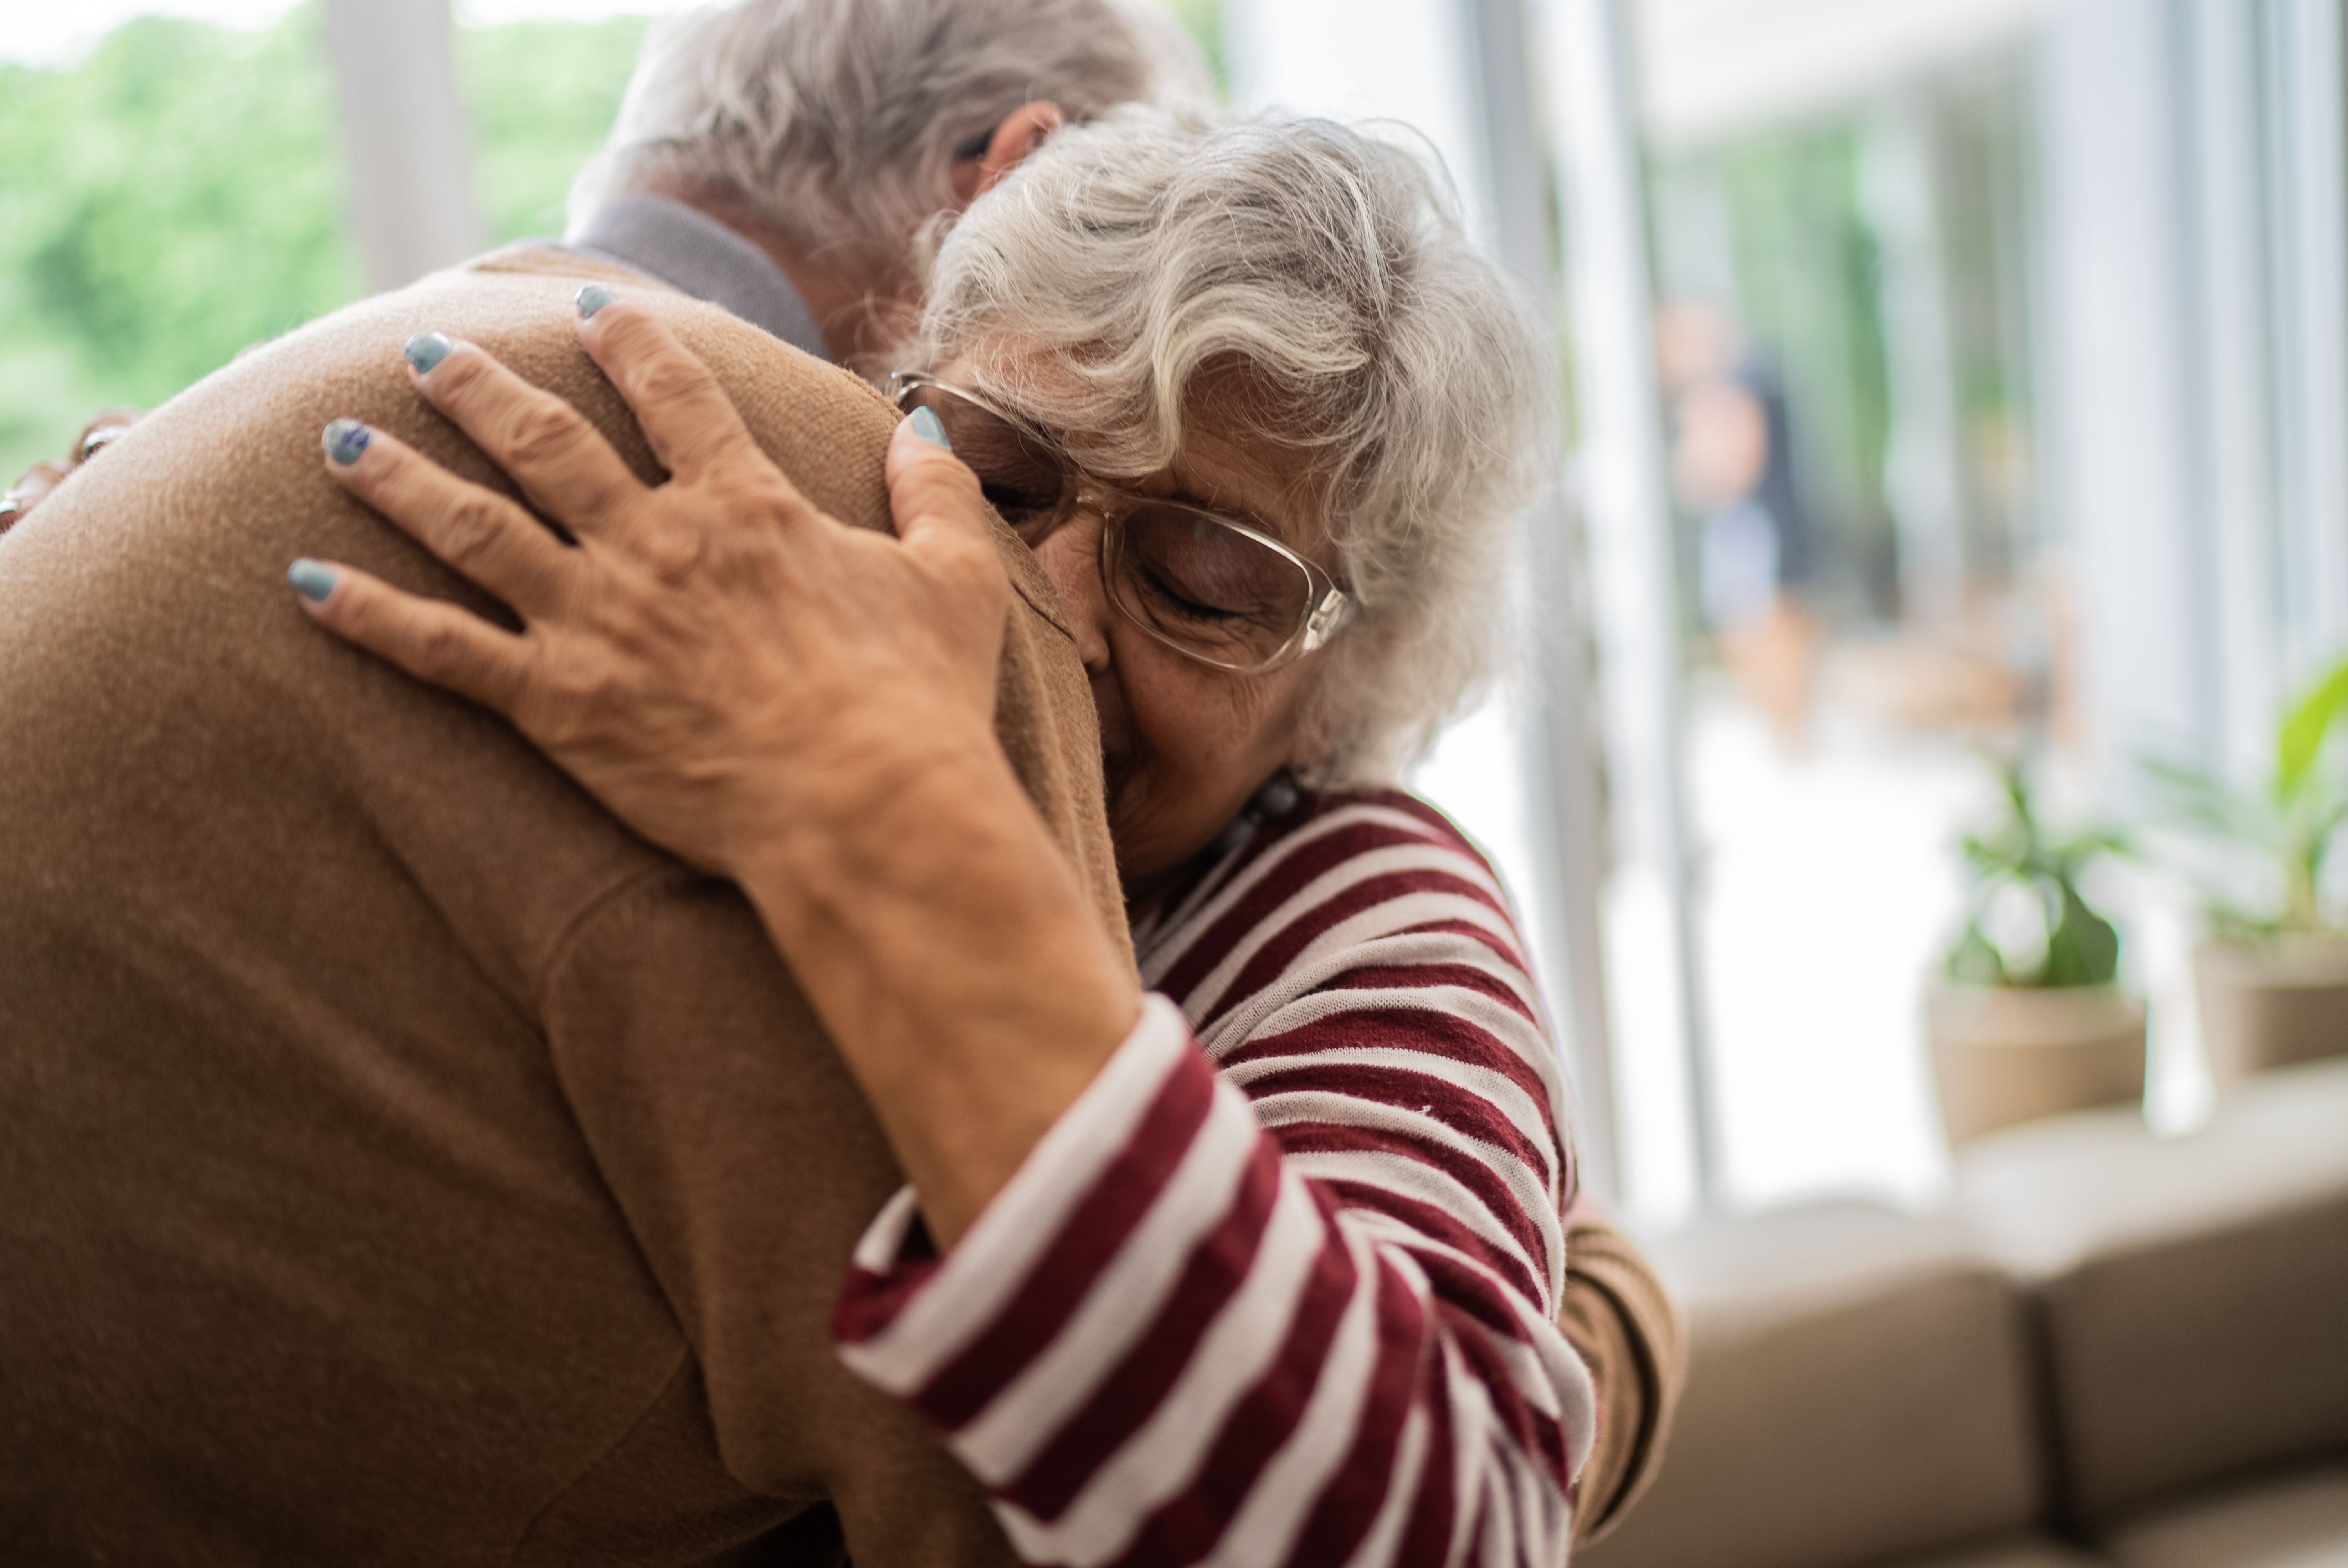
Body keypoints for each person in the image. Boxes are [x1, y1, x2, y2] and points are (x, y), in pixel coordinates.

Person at [292, 105, 1681, 1565]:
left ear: (1349, 682)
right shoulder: (682, 661)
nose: (1052, 617)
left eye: (1204, 584)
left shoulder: (1366, 910)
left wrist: (874, 809)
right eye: (997, 483)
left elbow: (1448, 1538)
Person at [0, 3, 1192, 1563]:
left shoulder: (288, 391)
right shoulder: (864, 546)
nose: (1085, 594)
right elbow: (1072, 1496)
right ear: (1021, 178)